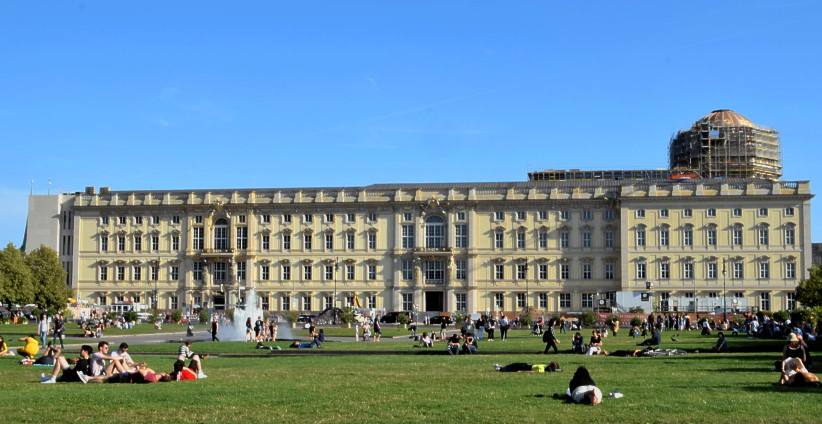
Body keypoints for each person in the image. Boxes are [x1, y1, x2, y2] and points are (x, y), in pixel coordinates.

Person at [495, 361, 561, 373]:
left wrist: (522, 372)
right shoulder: (545, 366)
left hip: (526, 367)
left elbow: (532, 372)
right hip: (527, 365)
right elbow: (556, 369)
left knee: (514, 367)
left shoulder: (542, 369)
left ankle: (500, 369)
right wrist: (558, 370)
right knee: (513, 365)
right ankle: (502, 367)